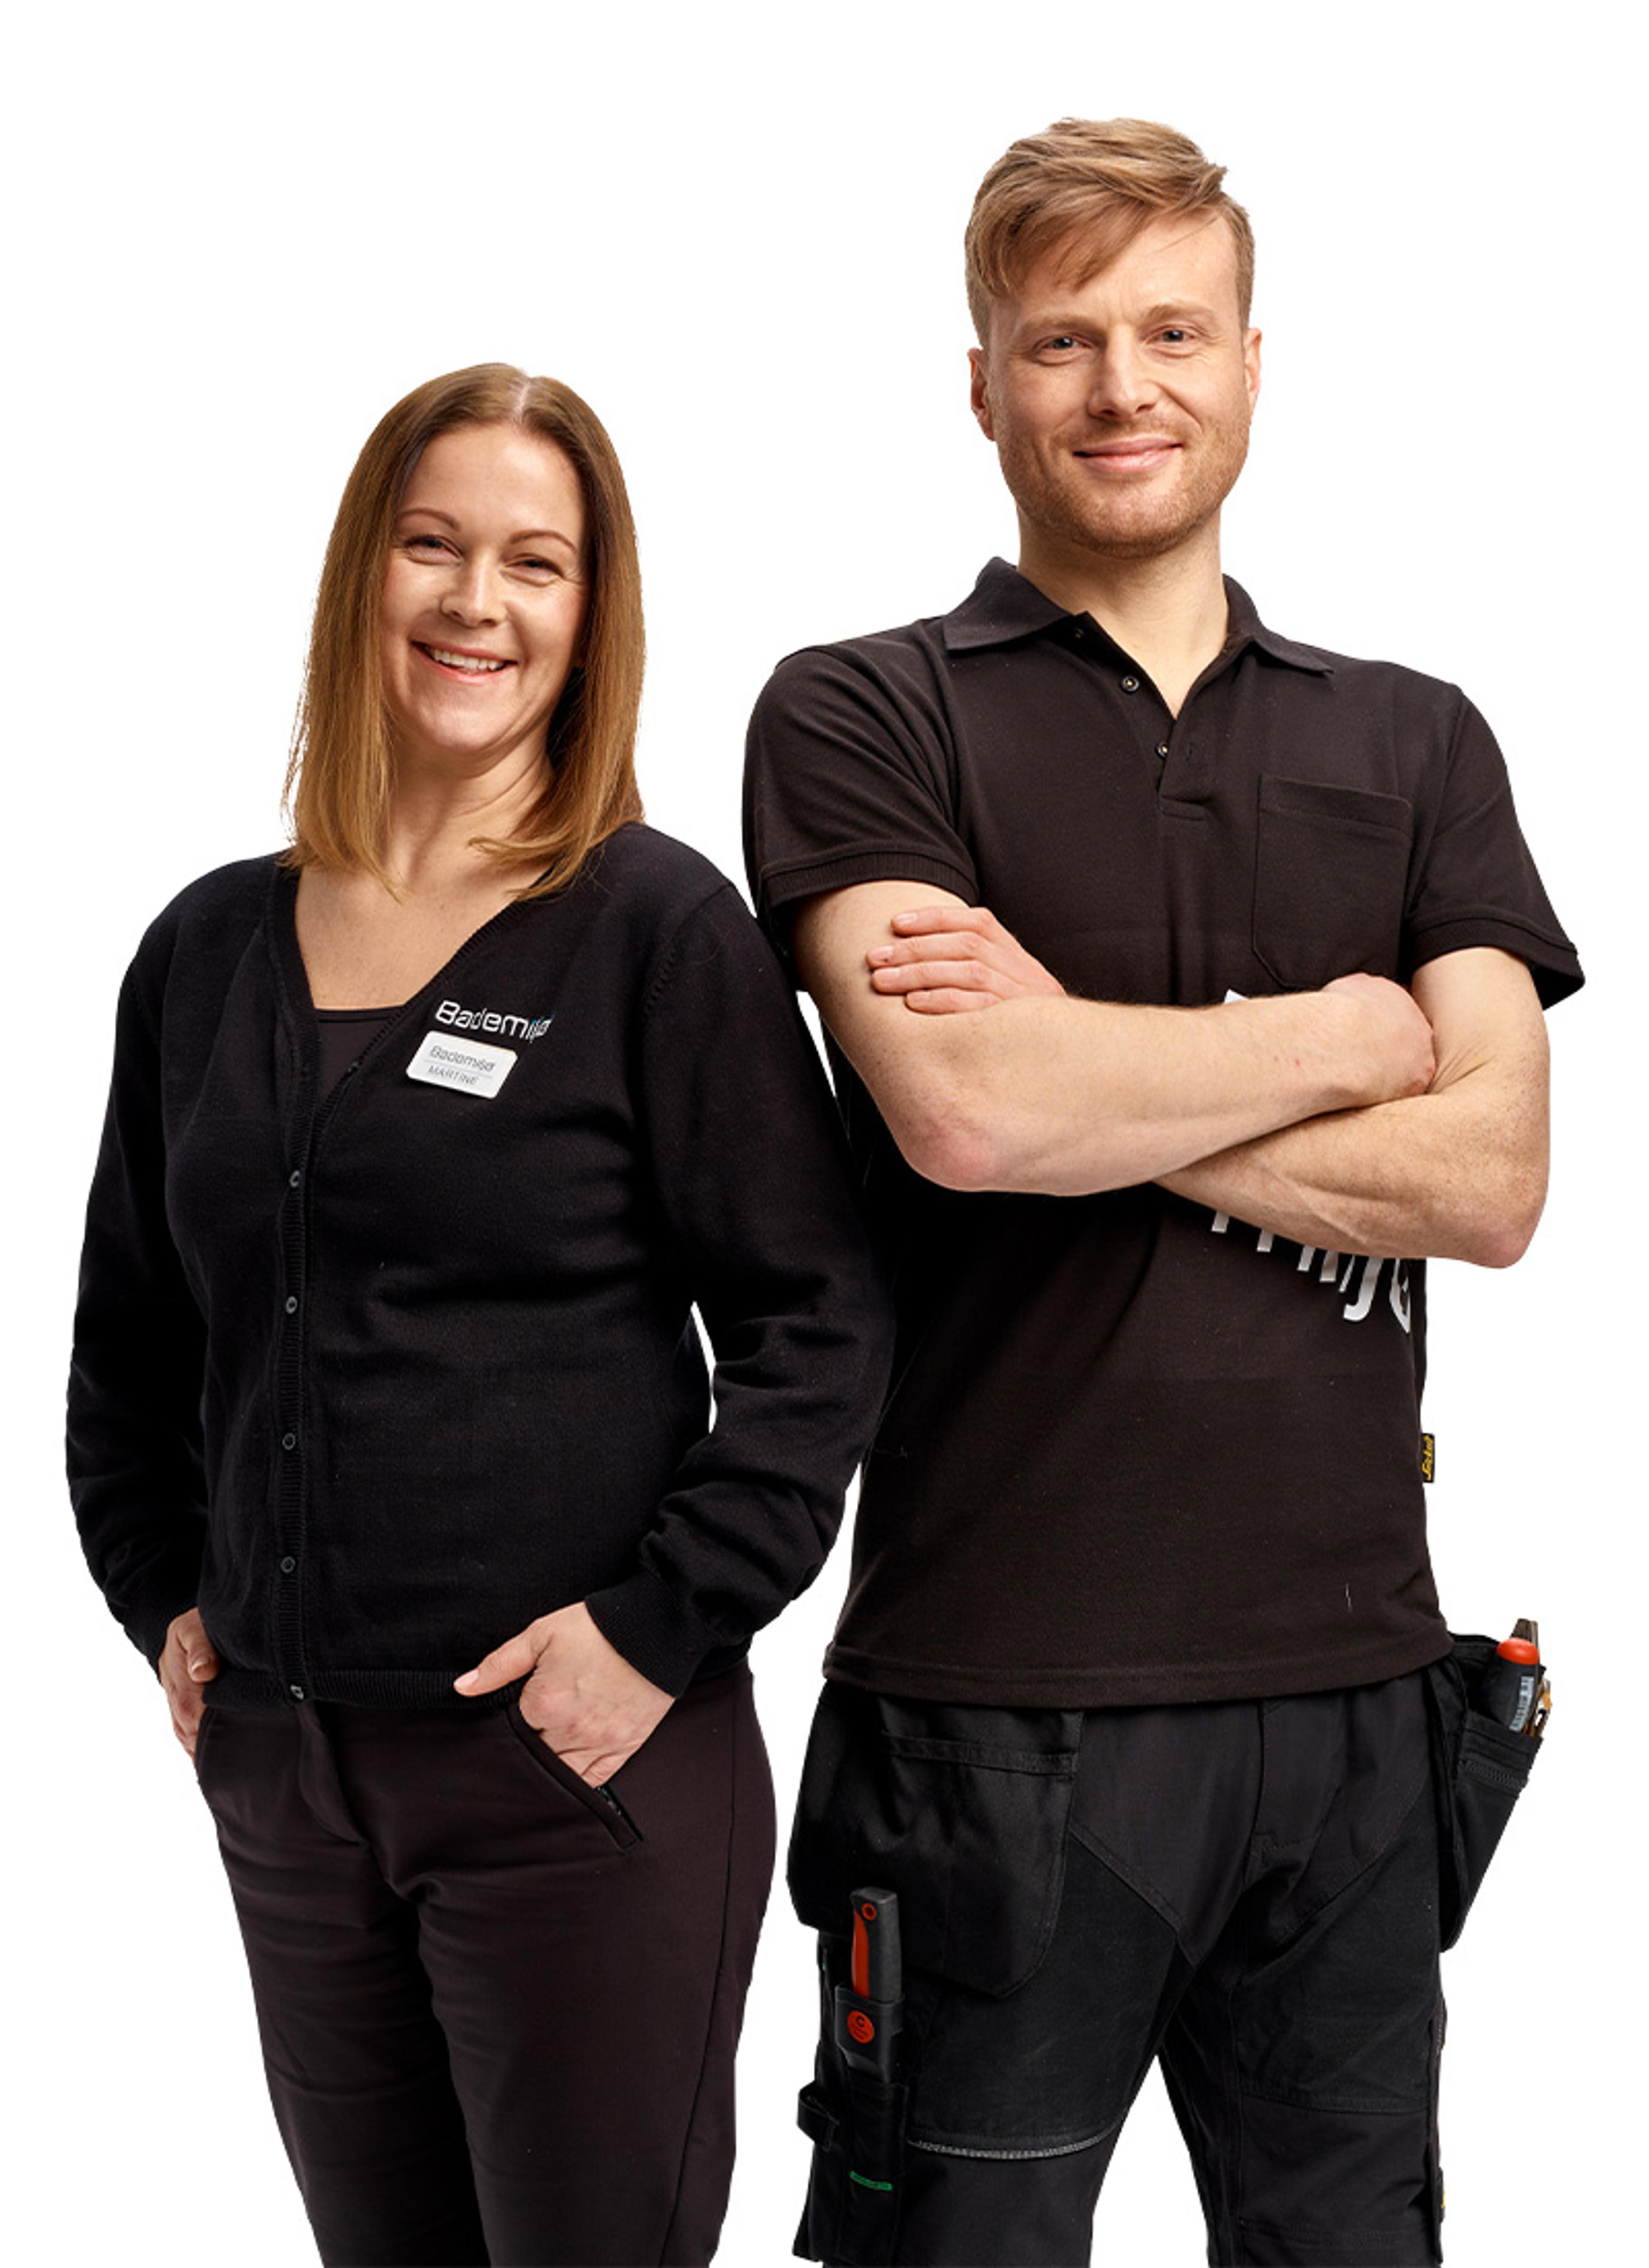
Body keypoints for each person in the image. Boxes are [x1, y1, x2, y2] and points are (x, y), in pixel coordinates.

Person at [743, 120, 1582, 2268]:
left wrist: (1090, 1066)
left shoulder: (1418, 743)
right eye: (1063, 340)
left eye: (1174, 331)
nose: (1125, 385)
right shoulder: (865, 713)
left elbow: (1495, 1181)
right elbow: (964, 1116)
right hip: (994, 1718)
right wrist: (1355, 1030)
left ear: (1253, 363)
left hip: (1358, 1714)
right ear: (983, 383)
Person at [67, 362, 891, 2268]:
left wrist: (656, 1630)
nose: (475, 602)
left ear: (592, 616)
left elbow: (819, 1324)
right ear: (364, 572)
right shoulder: (204, 950)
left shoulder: (652, 929)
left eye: (536, 562)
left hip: (576, 1773)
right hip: (288, 1780)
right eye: (432, 546)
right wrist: (166, 1600)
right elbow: (131, 1347)